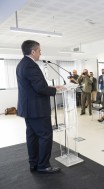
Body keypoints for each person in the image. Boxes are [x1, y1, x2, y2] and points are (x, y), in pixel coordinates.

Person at [16, 40, 63, 174]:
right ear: (33, 51)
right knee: (45, 136)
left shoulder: (21, 64)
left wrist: (52, 87)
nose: (40, 53)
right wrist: (56, 91)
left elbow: (33, 86)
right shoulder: (31, 65)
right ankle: (43, 165)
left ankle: (34, 163)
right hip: (37, 109)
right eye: (39, 50)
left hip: (28, 109)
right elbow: (39, 88)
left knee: (32, 136)